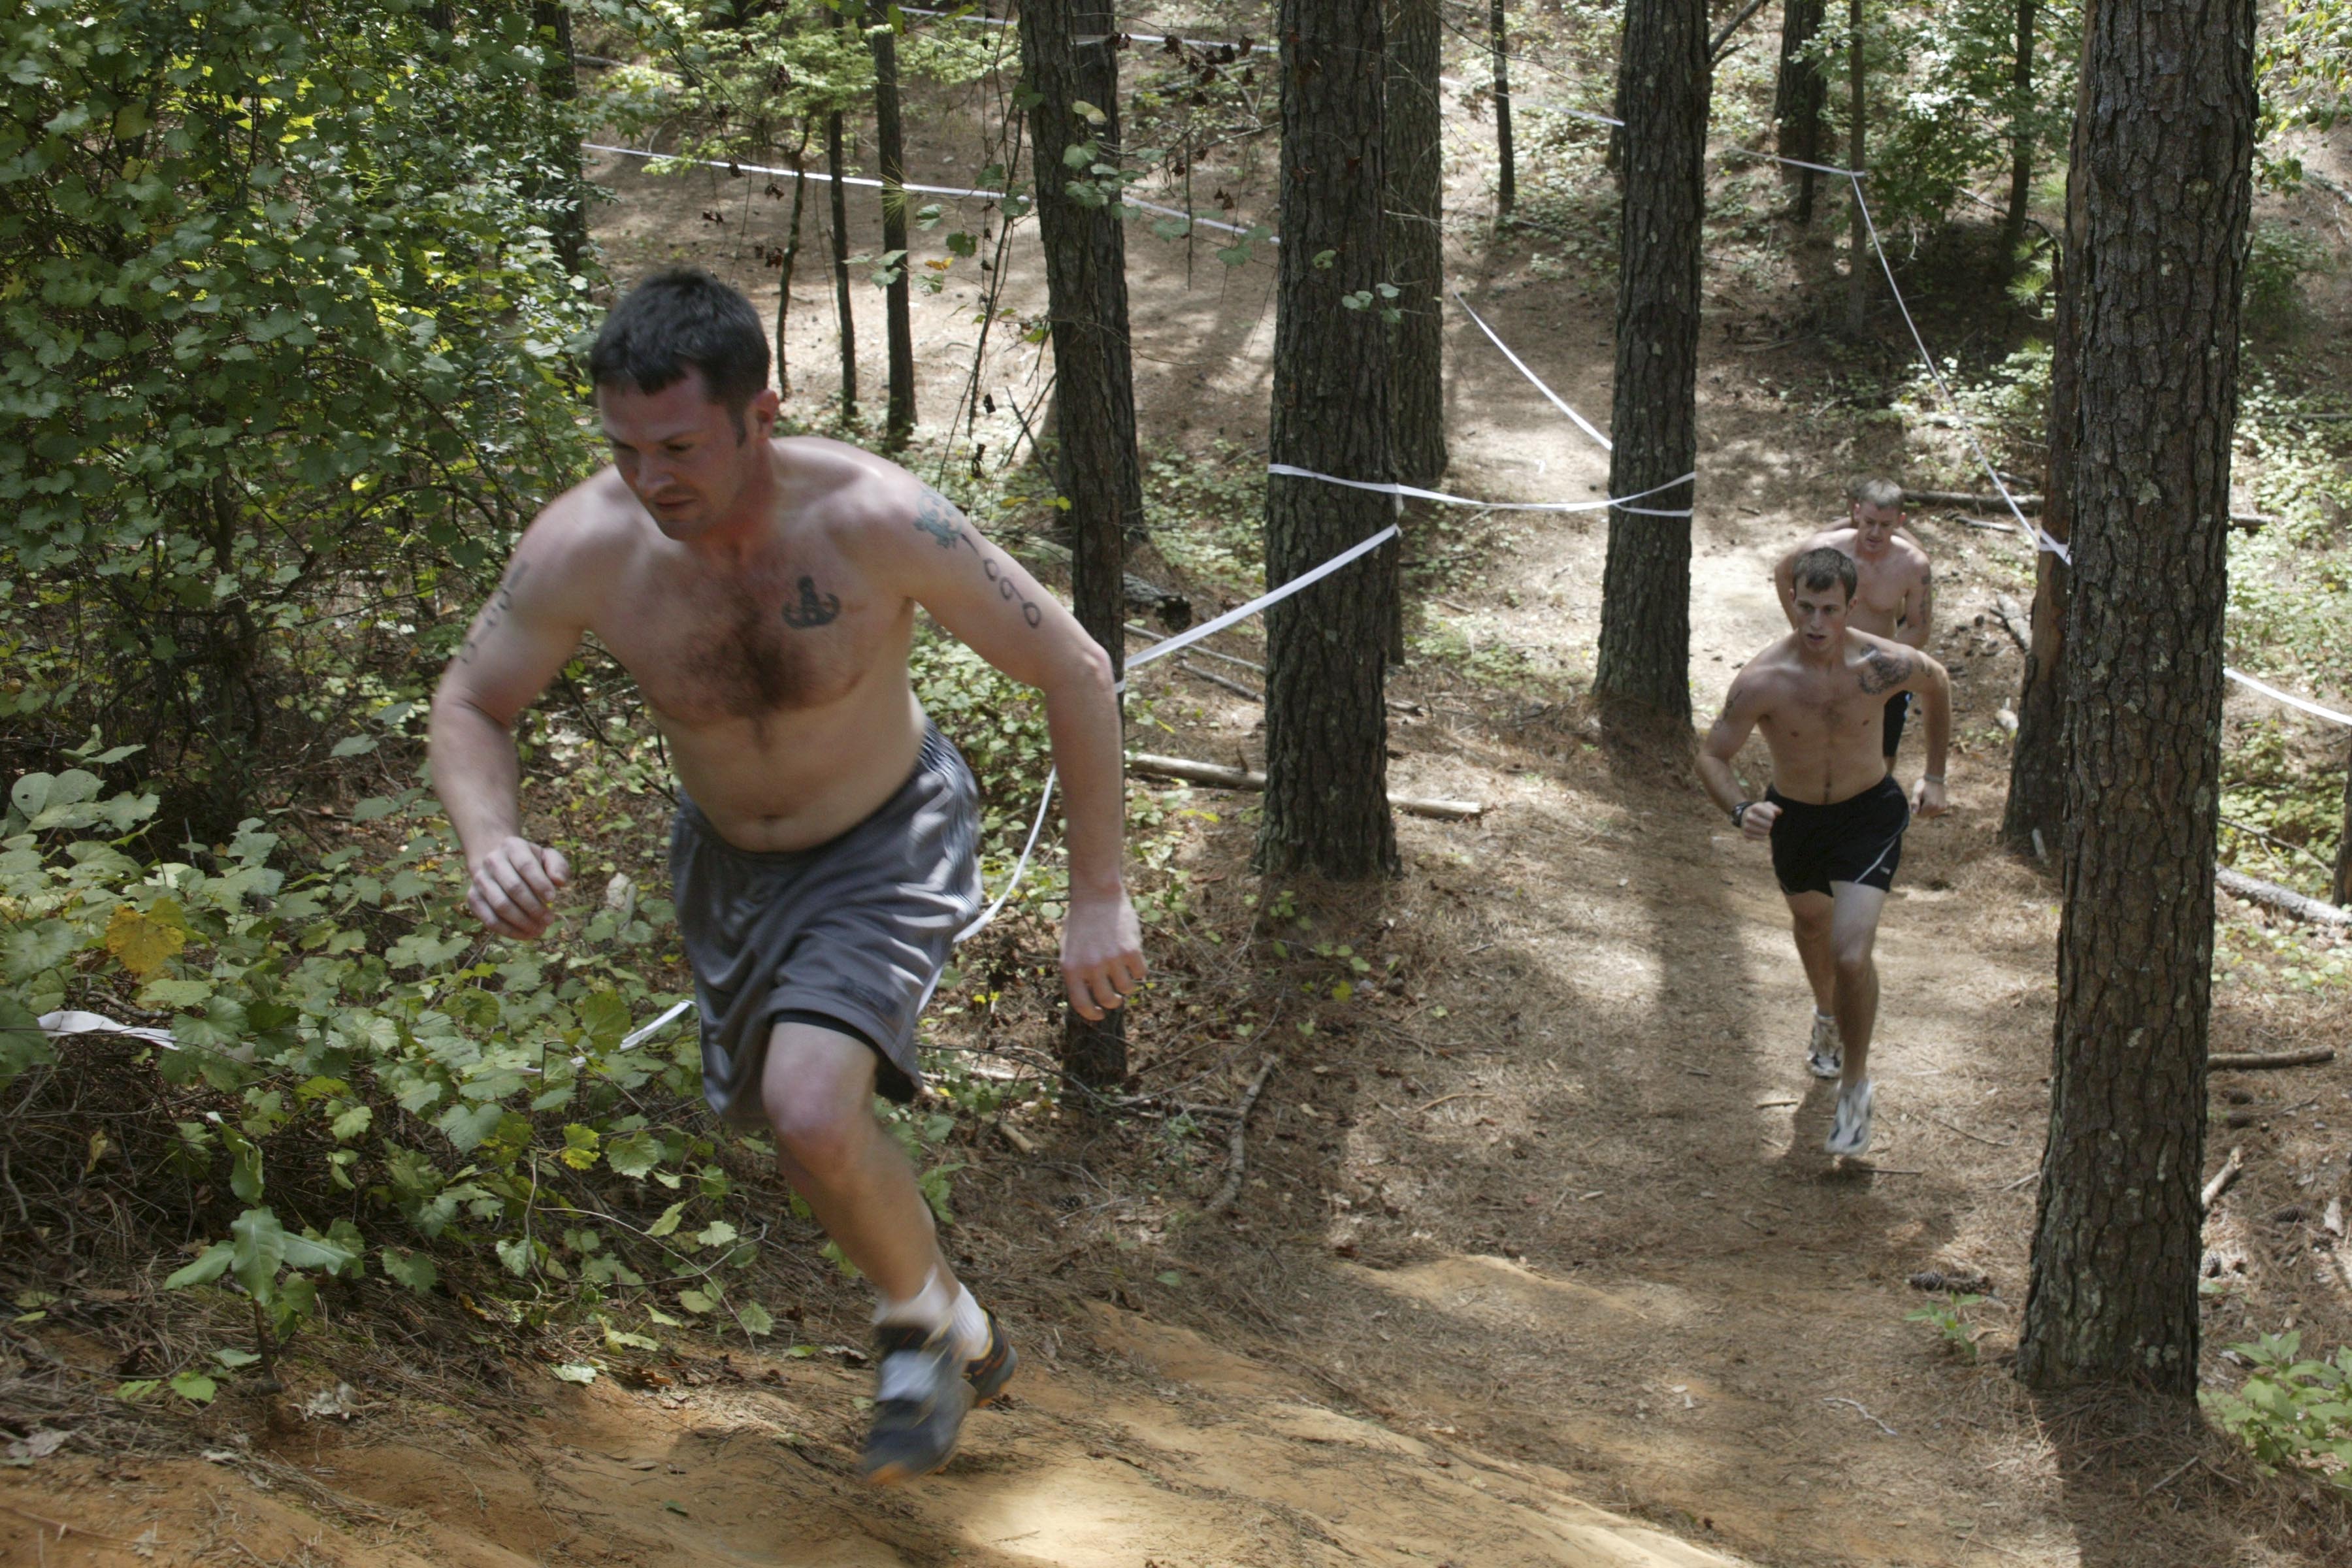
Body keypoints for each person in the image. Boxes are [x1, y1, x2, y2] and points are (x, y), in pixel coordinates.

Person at [428, 269, 1144, 1482]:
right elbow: (470, 701)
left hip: (888, 835)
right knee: (800, 1130)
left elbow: (1073, 667)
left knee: (811, 1104)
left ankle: (914, 1337)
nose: (651, 480)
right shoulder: (584, 547)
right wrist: (489, 836)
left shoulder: (875, 517)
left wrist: (1097, 894)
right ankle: (950, 1313)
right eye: (623, 449)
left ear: (764, 412)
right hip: (726, 866)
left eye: (679, 445)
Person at [1697, 547, 1950, 1156]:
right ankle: (1826, 1018)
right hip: (1797, 818)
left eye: (1828, 609)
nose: (1813, 622)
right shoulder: (1764, 679)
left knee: (1852, 955)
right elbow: (1712, 755)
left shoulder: (1883, 662)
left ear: (1851, 605)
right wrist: (1739, 808)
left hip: (1870, 815)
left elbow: (1937, 682)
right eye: (1804, 607)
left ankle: (1856, 1087)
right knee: (1811, 927)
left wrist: (1936, 774)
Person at [1772, 476, 1934, 777]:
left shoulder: (1912, 564)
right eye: (1869, 521)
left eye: (1885, 525)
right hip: (1826, 657)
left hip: (1880, 663)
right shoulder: (1828, 547)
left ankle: (1879, 810)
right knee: (1819, 739)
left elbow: (1920, 629)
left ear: (1900, 521)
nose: (1875, 532)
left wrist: (1878, 660)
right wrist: (1803, 630)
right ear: (1857, 512)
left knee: (1884, 749)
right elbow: (1783, 572)